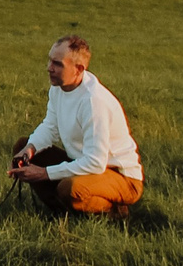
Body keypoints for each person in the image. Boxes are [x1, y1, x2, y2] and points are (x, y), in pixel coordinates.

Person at [10, 33, 143, 215]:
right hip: (85, 163)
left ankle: (116, 212)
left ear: (79, 69)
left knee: (70, 188)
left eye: (57, 64)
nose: (49, 68)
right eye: (50, 61)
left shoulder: (93, 101)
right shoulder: (58, 88)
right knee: (23, 146)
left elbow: (95, 162)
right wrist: (30, 149)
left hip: (120, 175)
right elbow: (50, 126)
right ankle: (62, 212)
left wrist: (44, 173)